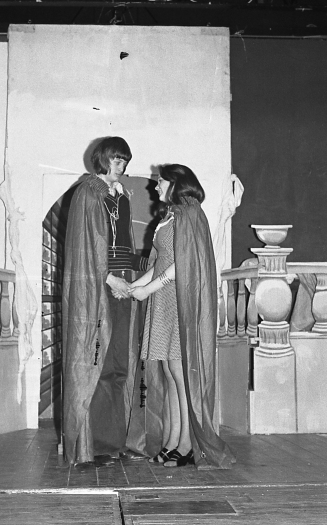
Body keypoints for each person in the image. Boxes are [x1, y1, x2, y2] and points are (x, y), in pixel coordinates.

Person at [128, 164, 235, 469]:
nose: (155, 187)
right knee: (169, 372)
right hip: (163, 298)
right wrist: (135, 287)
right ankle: (173, 441)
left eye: (160, 182)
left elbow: (182, 265)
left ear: (175, 183)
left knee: (179, 373)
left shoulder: (189, 214)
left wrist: (148, 289)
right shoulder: (172, 216)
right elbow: (160, 262)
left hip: (178, 299)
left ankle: (187, 446)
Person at [62, 136, 147, 468]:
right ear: (102, 159)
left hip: (123, 287)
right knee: (96, 365)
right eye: (116, 159)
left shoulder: (122, 196)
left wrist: (135, 278)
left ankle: (114, 442)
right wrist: (110, 280)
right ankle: (92, 445)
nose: (121, 166)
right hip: (101, 289)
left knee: (119, 365)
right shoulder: (87, 193)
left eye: (124, 160)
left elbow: (123, 245)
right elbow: (86, 250)